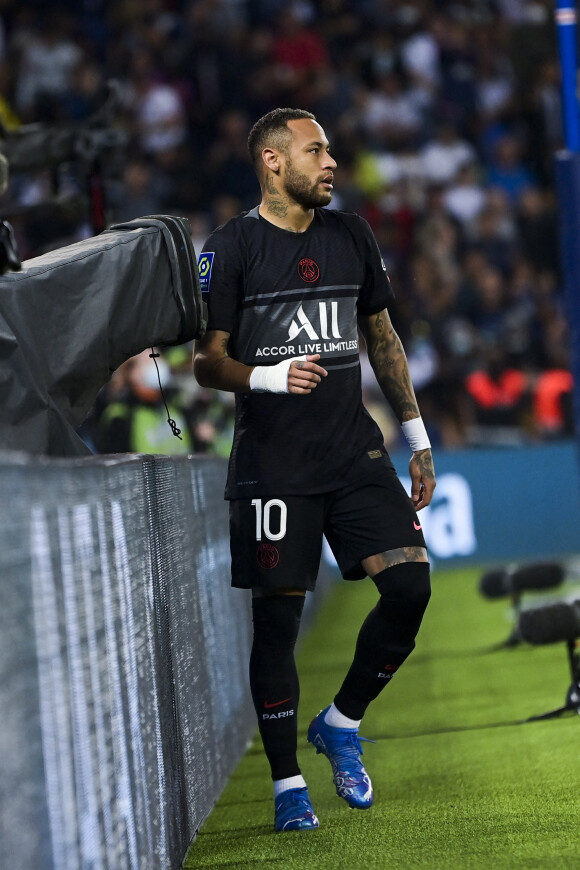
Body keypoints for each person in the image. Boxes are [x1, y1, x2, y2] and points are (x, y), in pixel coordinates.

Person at [193, 107, 436, 833]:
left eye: (330, 150)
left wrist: (418, 438)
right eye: (315, 150)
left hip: (354, 452)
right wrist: (268, 377)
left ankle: (341, 721)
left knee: (410, 588)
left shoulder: (351, 236)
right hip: (273, 467)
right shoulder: (230, 248)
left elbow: (383, 342)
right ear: (273, 162)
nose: (331, 162)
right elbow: (207, 362)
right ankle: (288, 786)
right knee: (277, 627)